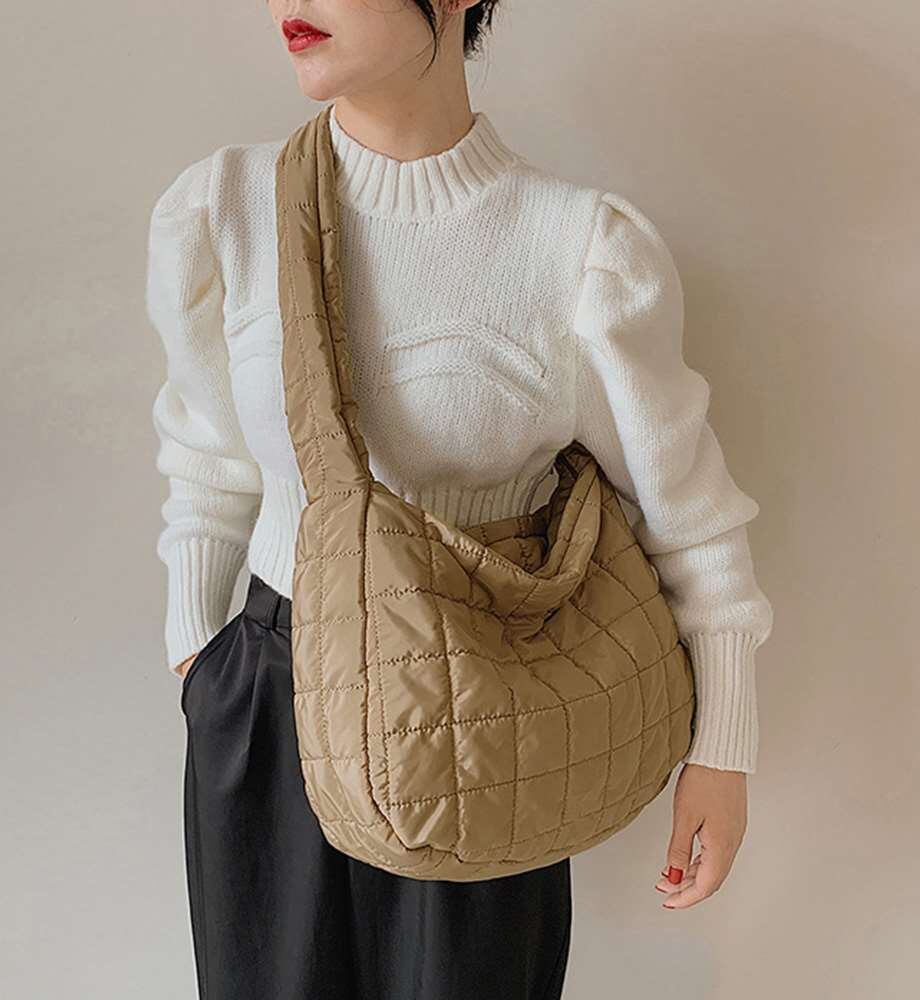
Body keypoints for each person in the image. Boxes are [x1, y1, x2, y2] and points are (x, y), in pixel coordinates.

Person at [146, 2, 774, 997]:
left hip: (484, 721)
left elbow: (688, 520)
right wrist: (199, 659)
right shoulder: (225, 207)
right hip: (269, 703)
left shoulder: (578, 248)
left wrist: (722, 748)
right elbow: (208, 459)